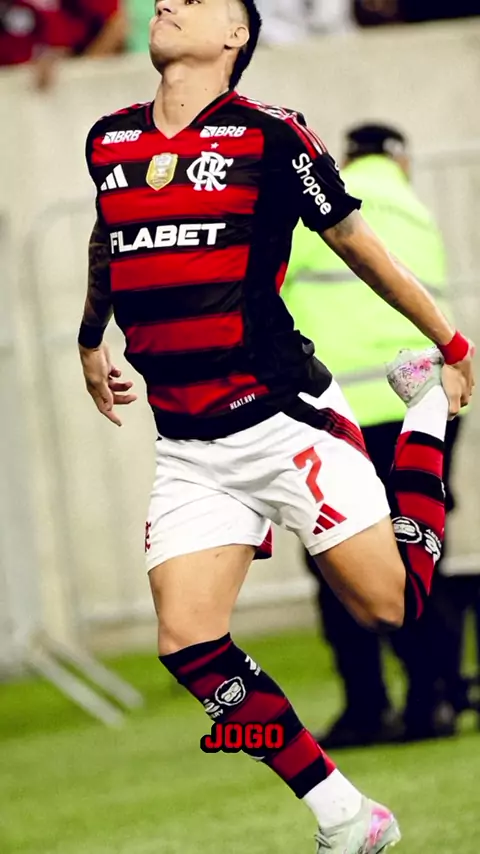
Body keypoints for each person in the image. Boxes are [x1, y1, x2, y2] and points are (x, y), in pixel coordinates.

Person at [78, 1, 474, 851]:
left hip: (285, 420)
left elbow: (357, 243)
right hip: (188, 446)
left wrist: (450, 344)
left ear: (236, 37)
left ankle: (423, 415)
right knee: (188, 642)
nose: (169, 4)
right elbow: (109, 238)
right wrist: (88, 337)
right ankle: (346, 815)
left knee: (395, 606)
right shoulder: (109, 139)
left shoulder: (273, 134)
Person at [282, 122, 472, 745]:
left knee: (339, 560)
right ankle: (433, 699)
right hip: (423, 403)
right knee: (420, 549)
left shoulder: (321, 201)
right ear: (401, 159)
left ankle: (367, 707)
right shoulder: (415, 211)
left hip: (343, 413)